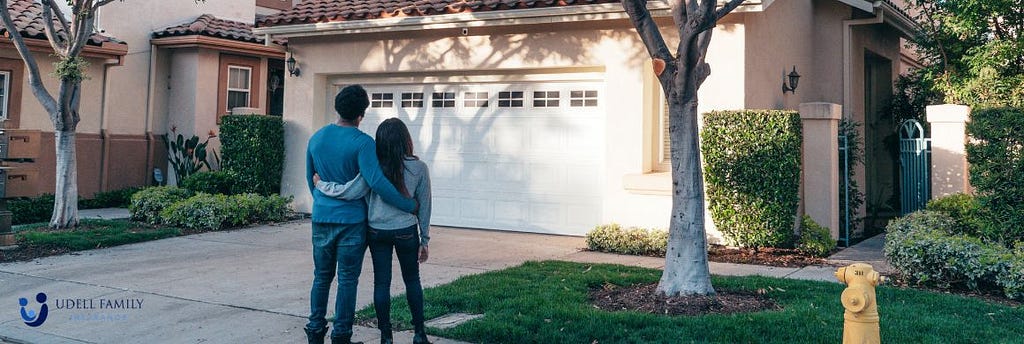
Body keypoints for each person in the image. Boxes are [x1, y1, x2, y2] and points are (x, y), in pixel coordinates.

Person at [305, 85, 417, 344]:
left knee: (321, 276)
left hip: (321, 217)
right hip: (352, 222)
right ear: (361, 114)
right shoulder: (363, 143)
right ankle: (341, 335)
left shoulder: (317, 138)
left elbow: (310, 182)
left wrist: (325, 202)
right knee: (347, 279)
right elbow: (376, 181)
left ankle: (314, 331)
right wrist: (407, 205)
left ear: (337, 108)